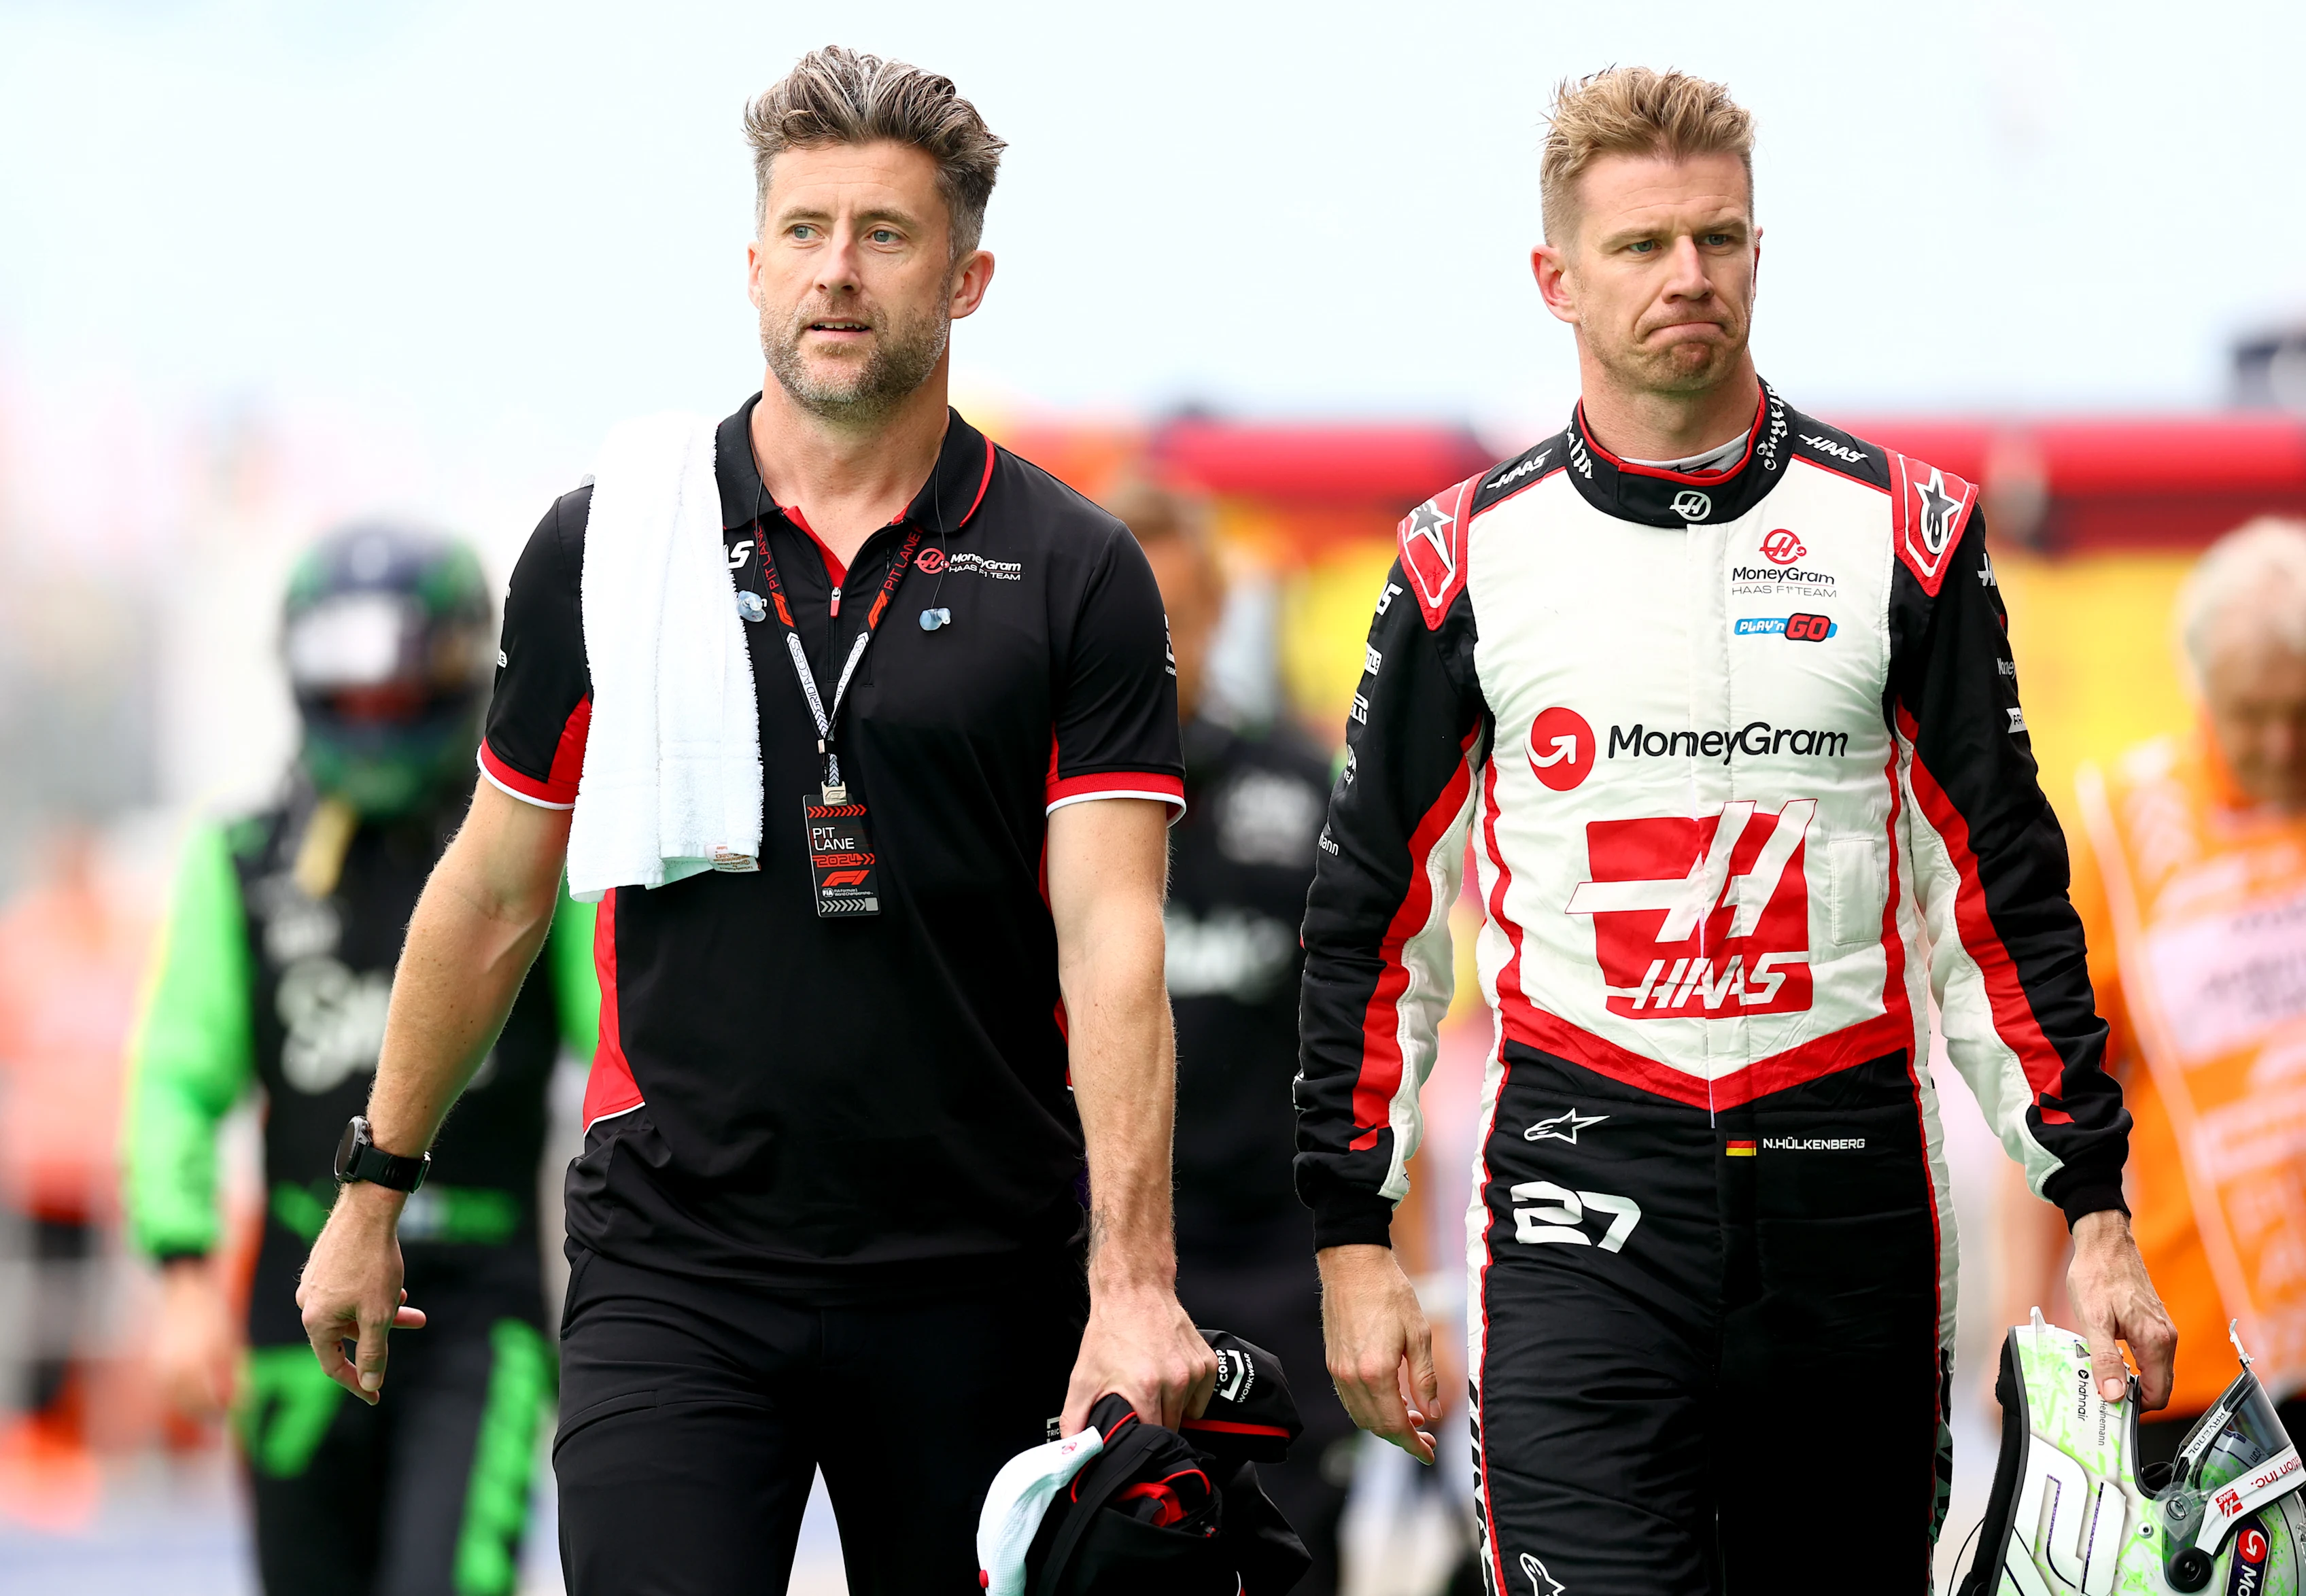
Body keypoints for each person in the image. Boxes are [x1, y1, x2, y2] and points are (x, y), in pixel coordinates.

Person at [292, 46, 1216, 1595]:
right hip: (678, 1261)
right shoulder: (615, 539)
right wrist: (370, 1185)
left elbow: (1110, 934)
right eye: (803, 231)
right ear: (750, 262)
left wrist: (1131, 1279)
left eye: (883, 233)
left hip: (975, 1269)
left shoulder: (1073, 572)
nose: (835, 274)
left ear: (966, 276)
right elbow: (494, 890)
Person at [1293, 66, 2175, 1590]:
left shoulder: (1911, 533)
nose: (1685, 277)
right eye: (1640, 246)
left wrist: (2090, 1206)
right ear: (1554, 277)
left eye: (1717, 238)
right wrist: (1352, 1238)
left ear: (1760, 249)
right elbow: (1370, 917)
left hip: (1847, 1191)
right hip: (1581, 1181)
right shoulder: (1462, 557)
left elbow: (2002, 904)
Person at [123, 524, 598, 1595]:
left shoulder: (534, 861)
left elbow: (622, 1048)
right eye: (349, 688)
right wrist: (183, 1271)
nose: (373, 714)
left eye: (398, 689)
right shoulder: (239, 867)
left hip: (480, 1308)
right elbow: (176, 1076)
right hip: (298, 1307)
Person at [2003, 517, 2306, 1468]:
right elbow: (2059, 1080)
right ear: (2200, 688)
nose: (2279, 741)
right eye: (2251, 711)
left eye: (2302, 710)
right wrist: (2027, 1318)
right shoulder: (2127, 830)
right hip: (2201, 1360)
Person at [1108, 480, 1354, 1594]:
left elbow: (1374, 1048)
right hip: (1084, 1261)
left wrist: (1399, 1272)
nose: (1155, 656)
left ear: (1219, 620)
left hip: (1271, 1268)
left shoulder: (1303, 797)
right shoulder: (1017, 798)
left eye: (1178, 621)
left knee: (1285, 1564)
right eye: (1126, 627)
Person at [0, 820, 150, 1528]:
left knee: (103, 1311)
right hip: (42, 1169)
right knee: (45, 1308)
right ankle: (35, 1442)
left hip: (110, 1164)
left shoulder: (126, 939)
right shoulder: (25, 940)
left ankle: (92, 1442)